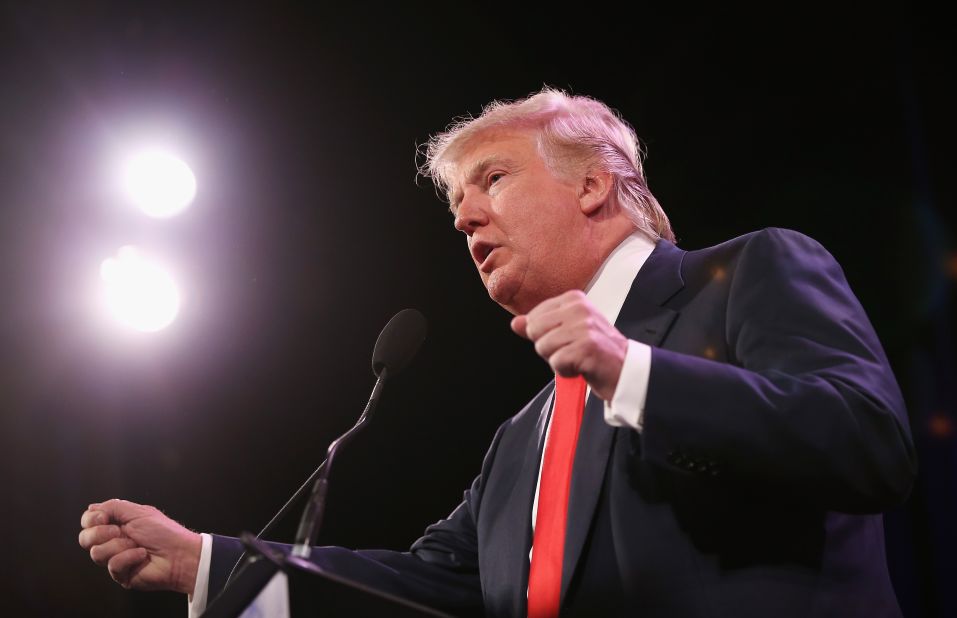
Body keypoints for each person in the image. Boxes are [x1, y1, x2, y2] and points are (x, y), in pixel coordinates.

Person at [79, 88, 917, 617]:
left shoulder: (749, 274)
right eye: (455, 202)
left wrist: (633, 373)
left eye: (493, 179)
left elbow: (867, 442)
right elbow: (433, 587)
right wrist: (213, 564)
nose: (464, 217)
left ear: (594, 183)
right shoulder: (523, 438)